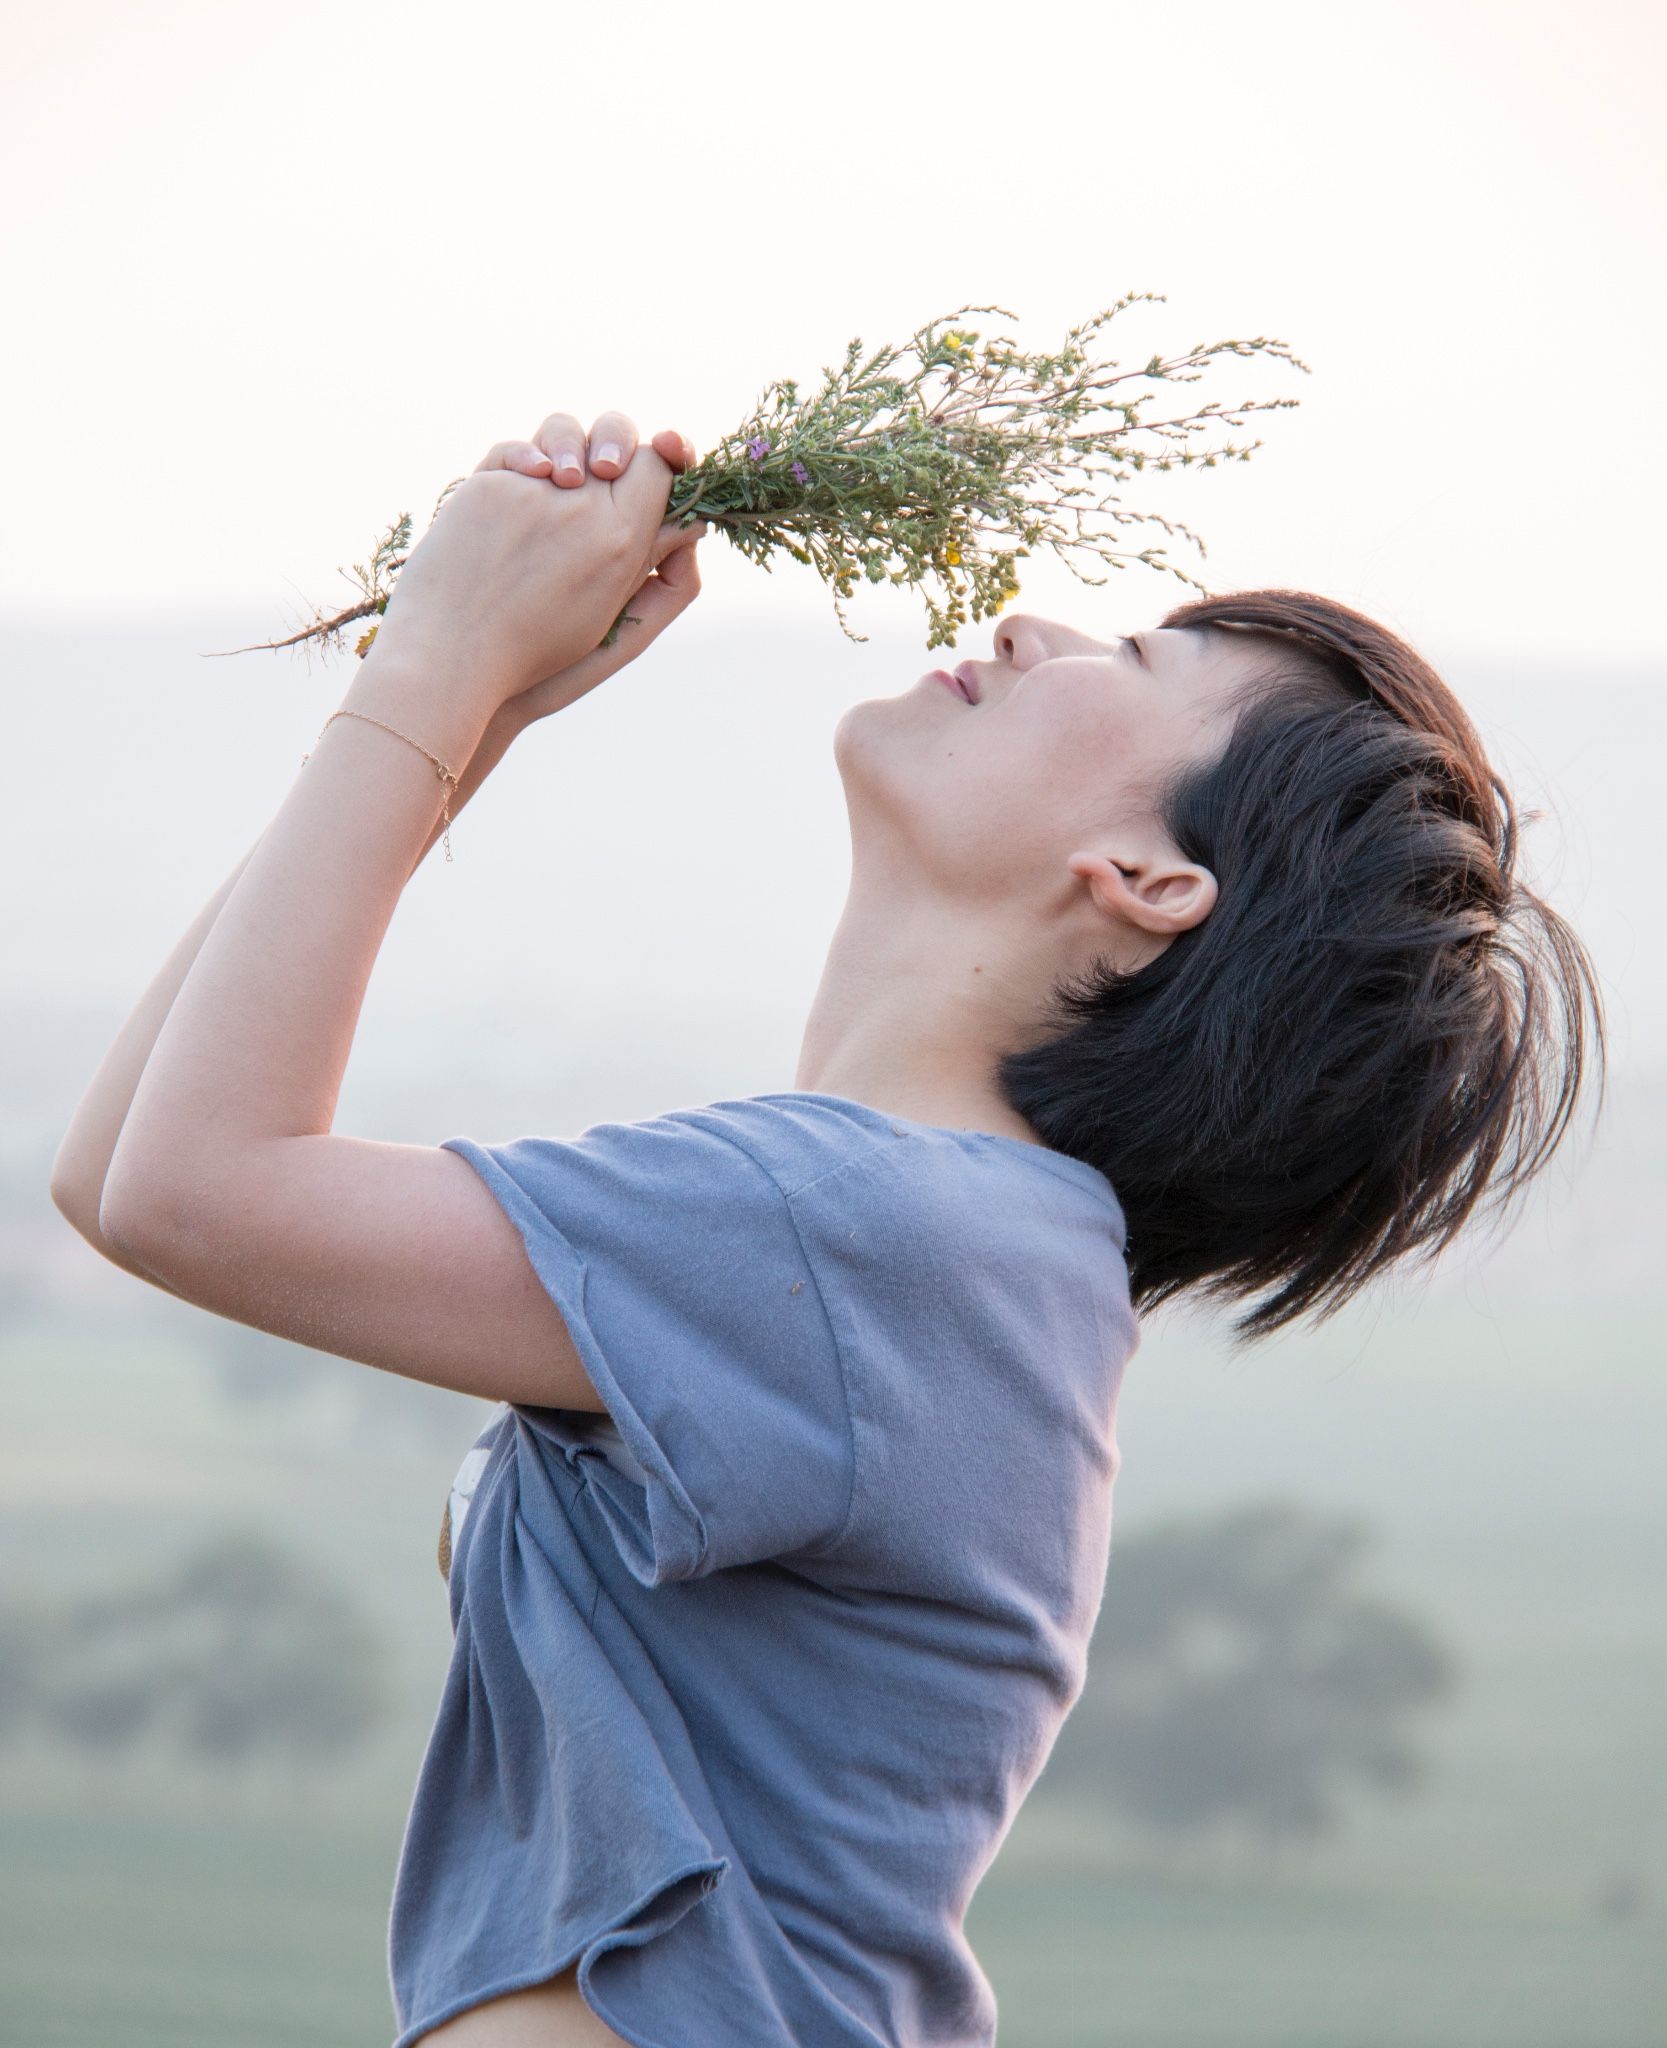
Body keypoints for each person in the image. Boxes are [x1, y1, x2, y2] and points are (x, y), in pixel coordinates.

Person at [50, 412, 1604, 2047]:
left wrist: (439, 665)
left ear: (1149, 877)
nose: (1025, 624)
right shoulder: (937, 1245)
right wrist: (477, 704)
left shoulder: (866, 1235)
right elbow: (120, 1181)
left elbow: (190, 1190)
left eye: (1133, 658)